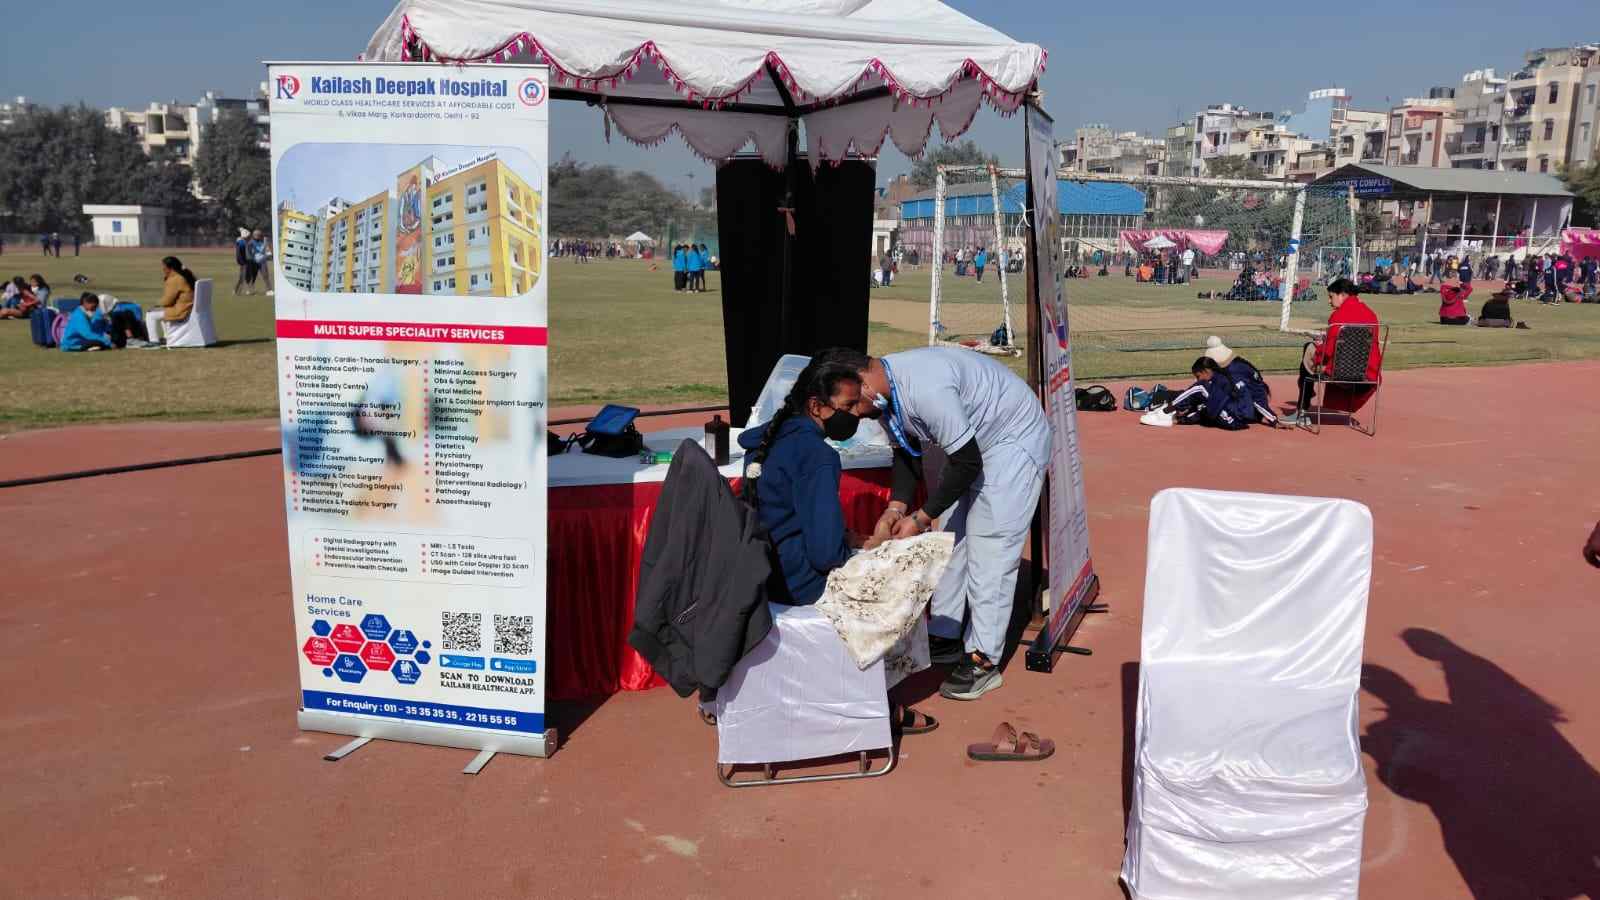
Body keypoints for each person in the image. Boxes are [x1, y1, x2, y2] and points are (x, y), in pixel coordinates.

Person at [826, 345, 1051, 702]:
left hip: (1011, 442)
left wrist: (919, 517)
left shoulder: (926, 388)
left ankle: (984, 658)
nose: (856, 414)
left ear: (863, 382)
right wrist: (895, 510)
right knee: (948, 538)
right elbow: (907, 454)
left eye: (853, 405)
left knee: (990, 550)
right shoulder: (884, 396)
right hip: (974, 445)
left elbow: (967, 462)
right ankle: (946, 633)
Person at [736, 356, 939, 734]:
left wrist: (849, 539)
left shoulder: (768, 438)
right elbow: (825, 554)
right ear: (816, 406)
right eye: (848, 406)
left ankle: (865, 693)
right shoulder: (818, 456)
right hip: (797, 580)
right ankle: (876, 699)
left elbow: (789, 515)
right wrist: (864, 550)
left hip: (765, 568)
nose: (856, 414)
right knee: (911, 571)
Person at [1280, 278, 1382, 427]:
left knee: (1308, 349)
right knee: (1313, 352)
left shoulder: (1338, 316)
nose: (1329, 301)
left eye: (1331, 296)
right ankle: (1306, 395)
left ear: (1343, 295)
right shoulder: (1371, 315)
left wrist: (1318, 346)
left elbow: (1328, 352)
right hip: (1366, 373)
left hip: (1339, 372)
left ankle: (1302, 408)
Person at [1205, 336, 1276, 424]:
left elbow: (1255, 394)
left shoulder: (1233, 373)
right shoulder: (1239, 363)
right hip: (1253, 404)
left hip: (1249, 412)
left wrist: (1272, 418)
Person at [1165, 357, 1252, 429]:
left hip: (1232, 417)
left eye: (1198, 376)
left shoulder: (1220, 380)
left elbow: (1213, 408)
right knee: (1200, 403)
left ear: (1206, 371)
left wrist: (1173, 410)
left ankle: (1166, 410)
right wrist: (1181, 419)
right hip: (1236, 417)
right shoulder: (1221, 378)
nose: (1197, 379)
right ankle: (1171, 410)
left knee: (1200, 387)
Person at [145, 256, 197, 344]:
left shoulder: (175, 279)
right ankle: (167, 338)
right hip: (188, 309)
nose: (163, 269)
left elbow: (167, 301)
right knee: (161, 311)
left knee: (150, 314)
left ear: (171, 268)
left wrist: (157, 304)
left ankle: (154, 341)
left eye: (164, 267)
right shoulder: (186, 275)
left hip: (181, 311)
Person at [251, 229, 274, 296]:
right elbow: (251, 252)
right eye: (256, 235)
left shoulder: (263, 242)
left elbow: (268, 252)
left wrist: (268, 255)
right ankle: (251, 290)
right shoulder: (251, 242)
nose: (257, 236)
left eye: (258, 235)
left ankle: (269, 290)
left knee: (265, 276)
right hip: (254, 262)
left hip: (262, 262)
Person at [234, 228, 251, 295]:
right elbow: (239, 254)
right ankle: (236, 291)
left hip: (245, 261)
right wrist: (242, 262)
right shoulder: (242, 243)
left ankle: (247, 290)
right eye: (248, 236)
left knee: (247, 276)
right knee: (242, 277)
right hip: (244, 262)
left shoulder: (241, 241)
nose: (249, 237)